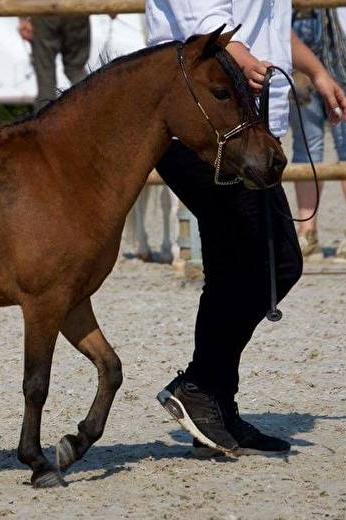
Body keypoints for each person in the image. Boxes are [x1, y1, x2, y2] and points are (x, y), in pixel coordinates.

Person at [147, 0, 346, 454]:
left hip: (244, 126)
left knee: (240, 268)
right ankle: (201, 387)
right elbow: (206, 25)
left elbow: (266, 23)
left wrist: (316, 71)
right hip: (203, 125)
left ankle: (214, 407)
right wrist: (244, 60)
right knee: (269, 265)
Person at [290, 8, 346, 261]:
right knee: (306, 145)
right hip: (300, 41)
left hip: (339, 45)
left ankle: (309, 233)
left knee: (342, 146)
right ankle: (307, 232)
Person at [18, 16, 91, 110]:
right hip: (75, 11)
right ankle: (91, 110)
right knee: (76, 70)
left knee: (46, 76)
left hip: (44, 14)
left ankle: (46, 116)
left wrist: (23, 19)